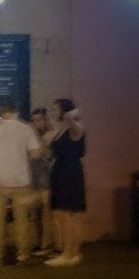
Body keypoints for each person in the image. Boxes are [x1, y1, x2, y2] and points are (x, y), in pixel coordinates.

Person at [0, 102, 43, 265]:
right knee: (22, 219)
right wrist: (22, 157)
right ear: (16, 112)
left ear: (2, 113)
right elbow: (36, 153)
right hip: (21, 180)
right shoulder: (26, 128)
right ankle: (23, 255)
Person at [46, 99, 87, 267]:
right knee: (62, 214)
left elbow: (72, 117)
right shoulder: (61, 129)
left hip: (69, 173)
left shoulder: (75, 127)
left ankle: (69, 253)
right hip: (61, 172)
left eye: (55, 109)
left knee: (67, 214)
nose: (52, 112)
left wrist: (69, 113)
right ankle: (71, 252)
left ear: (64, 111)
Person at [29, 107, 58, 255]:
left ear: (45, 120)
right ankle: (38, 242)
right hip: (33, 181)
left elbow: (47, 154)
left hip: (47, 181)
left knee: (47, 215)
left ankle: (48, 244)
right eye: (34, 120)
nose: (36, 123)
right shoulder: (32, 136)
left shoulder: (52, 136)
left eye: (39, 120)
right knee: (35, 216)